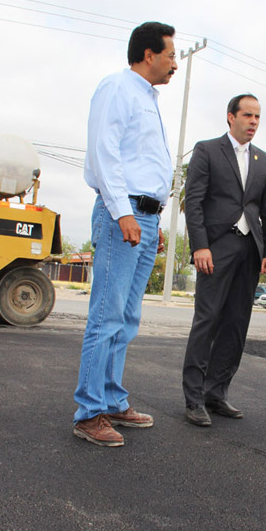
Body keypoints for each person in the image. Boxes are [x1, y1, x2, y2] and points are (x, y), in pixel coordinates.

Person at [73, 22, 177, 446]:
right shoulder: (117, 88)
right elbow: (105, 152)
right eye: (171, 55)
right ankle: (89, 412)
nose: (175, 64)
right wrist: (123, 213)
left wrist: (150, 218)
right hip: (125, 214)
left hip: (144, 217)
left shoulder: (147, 98)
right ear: (148, 55)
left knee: (127, 318)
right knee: (106, 316)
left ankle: (113, 400)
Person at [182, 94, 266, 426]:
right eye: (248, 115)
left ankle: (217, 392)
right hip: (215, 248)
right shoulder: (207, 150)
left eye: (258, 117)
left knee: (237, 324)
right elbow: (194, 202)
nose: (253, 121)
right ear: (231, 117)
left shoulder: (264, 160)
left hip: (250, 252)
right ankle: (194, 399)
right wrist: (200, 246)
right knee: (207, 320)